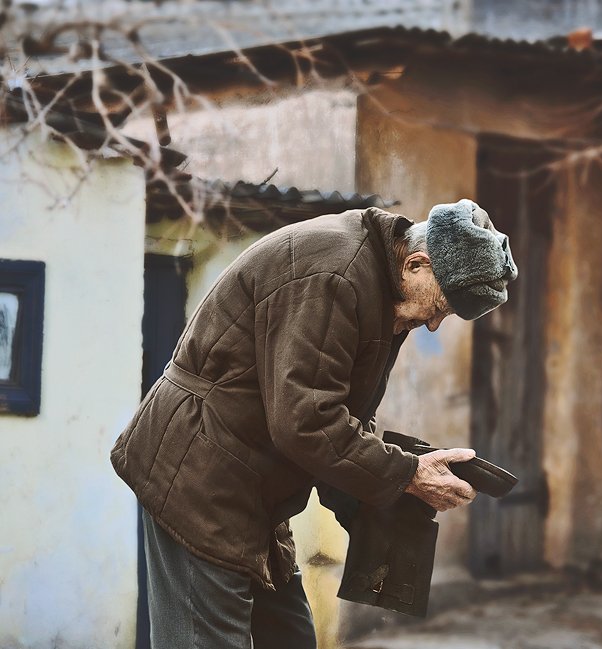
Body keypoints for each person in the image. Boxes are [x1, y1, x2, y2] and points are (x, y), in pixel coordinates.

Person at [110, 198, 518, 649]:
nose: (435, 324)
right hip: (199, 474)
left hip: (252, 483)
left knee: (291, 638)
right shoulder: (336, 276)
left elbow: (340, 413)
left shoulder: (383, 283)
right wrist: (406, 474)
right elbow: (306, 422)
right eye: (440, 306)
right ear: (416, 264)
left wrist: (399, 485)